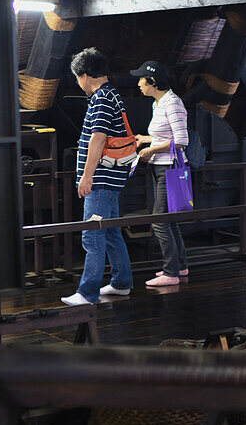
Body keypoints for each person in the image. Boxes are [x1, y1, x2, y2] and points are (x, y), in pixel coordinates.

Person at [61, 48, 134, 305]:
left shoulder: (101, 98)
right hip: (110, 178)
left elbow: (98, 138)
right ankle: (121, 282)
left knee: (92, 235)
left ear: (84, 75)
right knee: (111, 232)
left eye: (77, 78)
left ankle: (87, 292)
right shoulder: (111, 94)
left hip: (101, 179)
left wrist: (86, 176)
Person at [130, 60, 190, 287]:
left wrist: (151, 149)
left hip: (170, 168)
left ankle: (170, 273)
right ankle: (181, 266)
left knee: (160, 221)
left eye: (141, 79)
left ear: (153, 82)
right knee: (169, 219)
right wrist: (145, 139)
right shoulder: (159, 103)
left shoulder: (172, 103)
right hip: (161, 166)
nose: (138, 83)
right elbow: (167, 135)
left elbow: (182, 141)